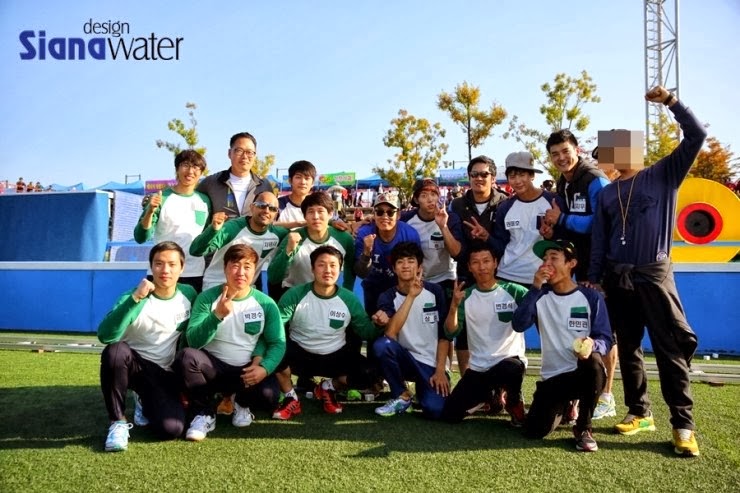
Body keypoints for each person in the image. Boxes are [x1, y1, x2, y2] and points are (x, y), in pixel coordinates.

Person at [588, 86, 706, 457]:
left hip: (654, 274)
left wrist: (672, 102)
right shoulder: (607, 194)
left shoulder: (664, 173)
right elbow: (600, 240)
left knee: (669, 348)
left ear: (634, 149)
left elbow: (697, 135)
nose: (611, 157)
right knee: (629, 348)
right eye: (606, 151)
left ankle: (683, 424)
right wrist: (595, 279)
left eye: (616, 148)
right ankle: (640, 412)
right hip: (617, 277)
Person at [178, 244, 285, 442]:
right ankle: (204, 413)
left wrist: (264, 368)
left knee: (270, 395)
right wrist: (216, 315)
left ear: (255, 270)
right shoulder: (207, 298)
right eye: (235, 265)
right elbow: (193, 340)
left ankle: (240, 403)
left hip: (245, 371)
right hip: (213, 369)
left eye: (247, 266)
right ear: (225, 268)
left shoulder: (266, 303)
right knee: (187, 357)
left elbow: (277, 343)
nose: (241, 272)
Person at [512, 239, 611, 452]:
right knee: (534, 431)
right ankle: (565, 405)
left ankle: (583, 428)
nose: (547, 263)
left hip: (582, 372)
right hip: (553, 379)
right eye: (544, 259)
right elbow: (518, 324)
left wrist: (592, 344)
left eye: (554, 258)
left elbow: (605, 338)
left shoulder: (591, 296)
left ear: (571, 263)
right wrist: (535, 287)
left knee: (594, 364)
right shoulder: (540, 295)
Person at [97, 241, 197, 451]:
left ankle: (144, 399)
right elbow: (105, 336)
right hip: (135, 367)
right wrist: (136, 298)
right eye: (159, 264)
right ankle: (117, 422)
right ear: (151, 267)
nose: (165, 270)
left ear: (182, 268)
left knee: (172, 429)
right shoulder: (134, 296)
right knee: (115, 351)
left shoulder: (189, 294)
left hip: (165, 374)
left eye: (172, 264)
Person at [544, 130, 613, 420]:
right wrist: (553, 229)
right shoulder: (564, 182)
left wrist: (562, 219)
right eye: (555, 154)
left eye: (565, 151)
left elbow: (601, 223)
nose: (561, 158)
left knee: (604, 330)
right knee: (578, 329)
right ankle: (577, 394)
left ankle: (606, 396)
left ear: (577, 149)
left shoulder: (595, 179)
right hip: (577, 265)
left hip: (600, 266)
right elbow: (569, 225)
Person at [271, 246, 381, 420]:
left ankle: (328, 387)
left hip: (334, 357)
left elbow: (366, 332)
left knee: (369, 374)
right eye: (321, 265)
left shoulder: (349, 299)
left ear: (340, 269)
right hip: (299, 356)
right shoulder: (295, 295)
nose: (327, 270)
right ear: (312, 268)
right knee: (273, 349)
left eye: (333, 265)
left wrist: (380, 324)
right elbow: (274, 328)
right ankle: (291, 397)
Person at [440, 242, 528, 425]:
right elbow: (450, 332)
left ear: (495, 263)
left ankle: (514, 402)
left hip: (508, 362)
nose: (482, 267)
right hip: (479, 368)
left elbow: (540, 306)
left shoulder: (515, 291)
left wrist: (538, 285)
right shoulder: (465, 296)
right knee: (449, 414)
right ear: (469, 267)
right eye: (476, 262)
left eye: (486, 261)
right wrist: (454, 306)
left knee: (511, 368)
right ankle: (490, 395)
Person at [371, 242, 451, 419]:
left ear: (420, 266)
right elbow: (390, 334)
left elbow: (444, 336)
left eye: (410, 261)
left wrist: (440, 371)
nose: (405, 265)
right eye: (400, 262)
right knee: (382, 345)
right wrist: (411, 297)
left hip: (431, 364)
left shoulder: (436, 291)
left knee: (436, 410)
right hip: (405, 359)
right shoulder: (387, 296)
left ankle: (425, 391)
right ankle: (402, 395)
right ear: (394, 268)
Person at [449, 156, 508, 375]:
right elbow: (456, 247)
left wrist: (486, 237)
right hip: (466, 272)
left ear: (493, 177)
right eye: (474, 174)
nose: (479, 178)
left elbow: (507, 244)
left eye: (484, 174)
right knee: (464, 329)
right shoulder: (457, 204)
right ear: (469, 177)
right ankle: (468, 380)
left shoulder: (505, 203)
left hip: (499, 274)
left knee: (500, 327)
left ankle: (502, 384)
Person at [134, 150, 211, 292]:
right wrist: (150, 211)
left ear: (201, 173)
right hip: (162, 273)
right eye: (185, 165)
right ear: (177, 169)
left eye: (196, 167)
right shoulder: (161, 198)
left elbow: (207, 237)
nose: (190, 171)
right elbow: (140, 237)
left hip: (194, 273)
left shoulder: (205, 200)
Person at [488, 152, 563, 287]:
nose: (517, 181)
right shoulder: (505, 207)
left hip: (544, 277)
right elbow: (501, 243)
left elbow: (566, 239)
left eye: (522, 175)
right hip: (508, 275)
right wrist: (486, 237)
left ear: (532, 175)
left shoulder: (553, 201)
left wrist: (551, 235)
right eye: (512, 176)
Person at [189, 191, 288, 291]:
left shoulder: (278, 234)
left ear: (276, 214)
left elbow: (295, 233)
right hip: (217, 285)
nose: (266, 211)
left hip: (244, 291)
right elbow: (195, 251)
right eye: (261, 205)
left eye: (272, 209)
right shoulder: (232, 228)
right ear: (252, 207)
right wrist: (213, 230)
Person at [268, 191, 355, 299]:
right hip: (295, 298)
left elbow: (350, 272)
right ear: (304, 216)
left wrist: (346, 297)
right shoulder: (293, 238)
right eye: (311, 212)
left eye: (320, 211)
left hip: (327, 296)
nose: (316, 217)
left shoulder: (344, 239)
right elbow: (273, 278)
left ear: (330, 214)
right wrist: (287, 252)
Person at [354, 193, 422, 317]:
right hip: (373, 288)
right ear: (374, 214)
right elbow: (361, 273)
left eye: (390, 212)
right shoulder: (364, 233)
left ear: (398, 215)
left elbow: (417, 266)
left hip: (401, 287)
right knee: (375, 324)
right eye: (380, 212)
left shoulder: (410, 234)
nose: (385, 216)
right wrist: (366, 252)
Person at [196, 132, 273, 219]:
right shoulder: (211, 183)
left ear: (255, 156)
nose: (244, 156)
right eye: (239, 151)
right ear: (229, 153)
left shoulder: (264, 185)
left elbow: (272, 216)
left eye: (249, 152)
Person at [275, 160, 317, 230]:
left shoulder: (319, 205)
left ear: (313, 183)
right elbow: (268, 225)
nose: (303, 182)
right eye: (298, 177)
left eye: (307, 178)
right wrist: (297, 224)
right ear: (290, 181)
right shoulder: (278, 205)